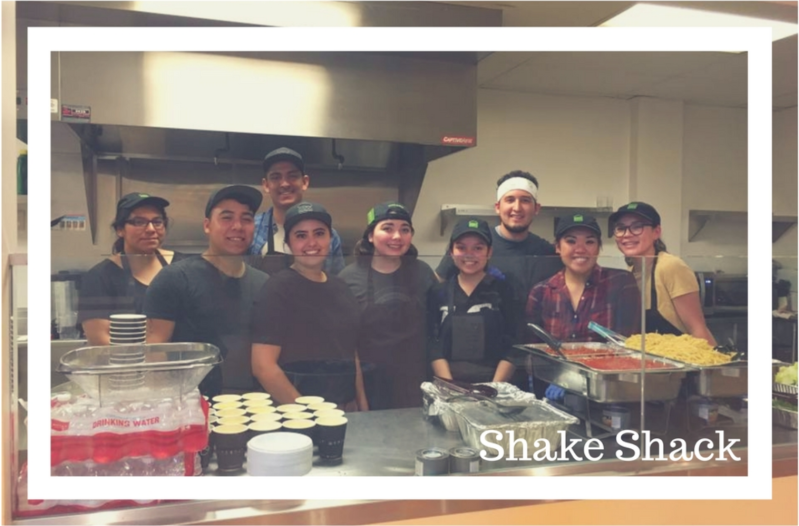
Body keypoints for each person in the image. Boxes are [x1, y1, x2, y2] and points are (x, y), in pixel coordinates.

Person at [144, 185, 269, 398]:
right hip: (190, 403)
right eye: (226, 217)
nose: (237, 226)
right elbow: (154, 354)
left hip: (252, 404)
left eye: (246, 219)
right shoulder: (175, 278)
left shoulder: (263, 283)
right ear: (207, 225)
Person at [251, 202, 368, 409]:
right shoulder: (277, 289)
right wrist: (308, 413)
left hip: (344, 409)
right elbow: (263, 367)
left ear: (330, 239)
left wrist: (362, 405)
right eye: (301, 235)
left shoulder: (342, 287)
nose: (311, 242)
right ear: (288, 244)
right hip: (297, 414)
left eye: (319, 233)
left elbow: (352, 354)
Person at [339, 202, 437, 410]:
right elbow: (346, 346)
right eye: (387, 228)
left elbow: (436, 332)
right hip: (369, 385)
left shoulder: (424, 272)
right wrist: (356, 397)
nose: (397, 236)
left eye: (405, 230)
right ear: (370, 235)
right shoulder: (348, 278)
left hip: (417, 383)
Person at [436, 170, 563, 310]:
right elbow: (436, 284)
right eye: (510, 200)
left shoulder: (547, 252)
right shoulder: (475, 244)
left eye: (525, 200)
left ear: (536, 208)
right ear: (497, 207)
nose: (517, 208)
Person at [78, 193, 187, 346]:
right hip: (126, 359)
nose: (151, 229)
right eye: (139, 222)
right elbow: (100, 340)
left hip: (184, 358)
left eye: (157, 221)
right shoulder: (100, 277)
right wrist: (143, 358)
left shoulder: (184, 267)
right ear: (120, 229)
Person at [609, 201, 717, 345]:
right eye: (621, 228)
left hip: (680, 357)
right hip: (647, 358)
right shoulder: (630, 273)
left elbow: (697, 328)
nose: (627, 234)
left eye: (637, 227)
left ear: (656, 232)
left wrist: (708, 358)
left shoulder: (670, 266)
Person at [428, 218, 520, 384]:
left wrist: (493, 389)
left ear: (489, 252)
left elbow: (514, 344)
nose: (469, 254)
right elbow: (433, 345)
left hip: (495, 385)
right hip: (448, 385)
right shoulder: (439, 292)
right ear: (451, 252)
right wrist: (451, 390)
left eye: (478, 248)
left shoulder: (505, 290)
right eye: (461, 247)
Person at [526, 213, 641, 342]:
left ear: (598, 248)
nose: (580, 249)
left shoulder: (620, 282)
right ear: (557, 247)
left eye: (589, 242)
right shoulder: (541, 292)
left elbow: (629, 342)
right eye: (571, 241)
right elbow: (533, 346)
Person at [248, 147, 345, 275]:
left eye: (292, 176)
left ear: (305, 182)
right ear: (266, 185)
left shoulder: (329, 236)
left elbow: (337, 282)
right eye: (276, 177)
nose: (284, 184)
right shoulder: (251, 230)